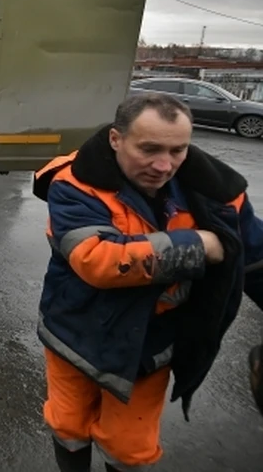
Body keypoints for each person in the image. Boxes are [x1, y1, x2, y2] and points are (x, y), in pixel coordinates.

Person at [32, 92, 263, 471]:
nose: (163, 164)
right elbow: (99, 260)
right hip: (74, 331)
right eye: (150, 149)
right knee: (68, 423)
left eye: (178, 150)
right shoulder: (74, 185)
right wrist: (200, 246)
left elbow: (255, 259)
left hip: (148, 343)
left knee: (130, 447)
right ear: (116, 139)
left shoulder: (218, 192)